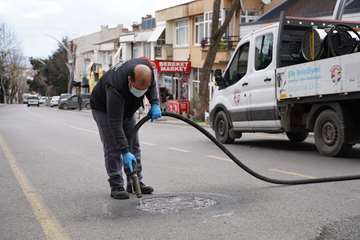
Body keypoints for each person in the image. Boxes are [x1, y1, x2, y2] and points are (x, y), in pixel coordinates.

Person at [90, 58, 162, 200]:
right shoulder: (115, 86)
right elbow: (115, 123)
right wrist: (124, 151)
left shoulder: (148, 71)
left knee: (133, 145)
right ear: (130, 80)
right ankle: (116, 185)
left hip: (128, 109)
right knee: (114, 147)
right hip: (104, 109)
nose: (140, 93)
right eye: (137, 89)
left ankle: (134, 183)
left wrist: (155, 103)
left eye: (143, 91)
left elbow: (152, 86)